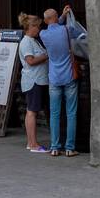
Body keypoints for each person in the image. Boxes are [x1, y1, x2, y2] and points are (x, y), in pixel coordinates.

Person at [41, 8, 78, 156]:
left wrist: (59, 16)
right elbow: (75, 31)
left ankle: (55, 147)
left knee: (54, 114)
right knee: (71, 113)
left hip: (54, 78)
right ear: (56, 17)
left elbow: (54, 24)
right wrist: (63, 16)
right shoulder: (66, 30)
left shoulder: (43, 35)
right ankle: (69, 148)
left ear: (45, 21)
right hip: (69, 76)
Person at [18, 15, 50, 153]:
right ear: (30, 27)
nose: (39, 29)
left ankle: (32, 142)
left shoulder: (34, 41)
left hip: (39, 80)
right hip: (33, 81)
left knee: (33, 111)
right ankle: (32, 144)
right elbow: (30, 61)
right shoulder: (26, 42)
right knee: (32, 111)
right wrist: (47, 55)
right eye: (37, 26)